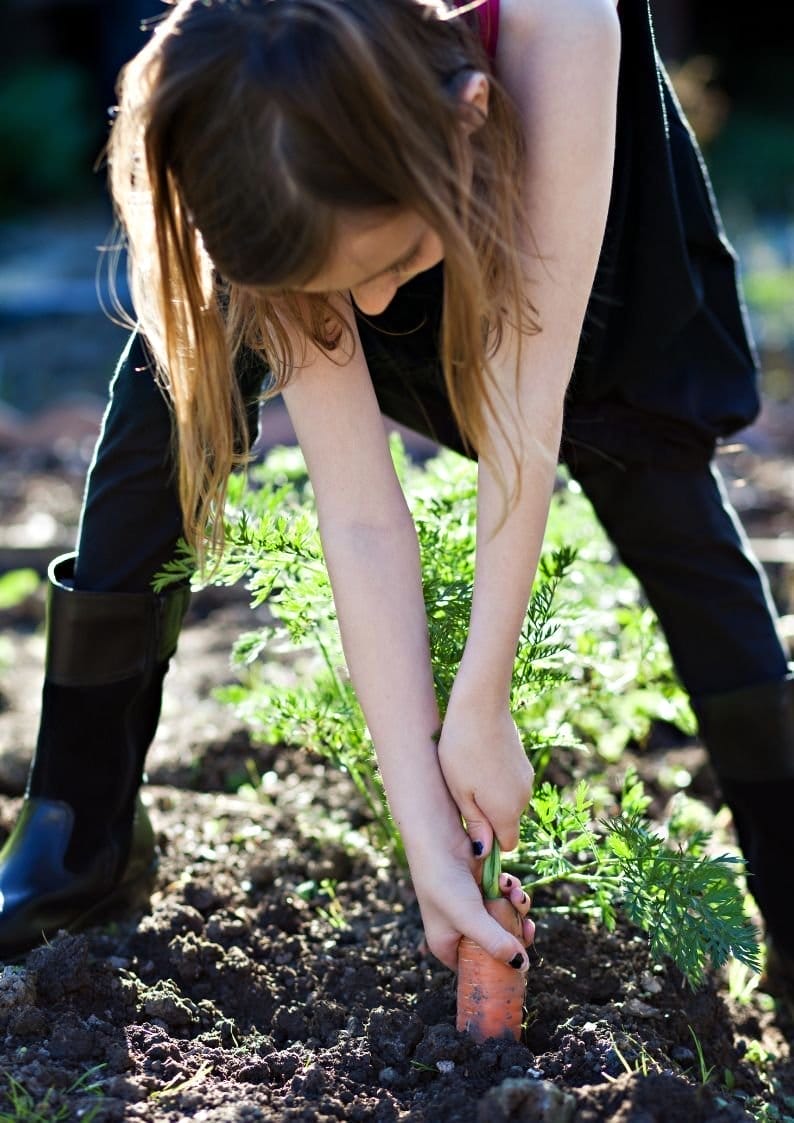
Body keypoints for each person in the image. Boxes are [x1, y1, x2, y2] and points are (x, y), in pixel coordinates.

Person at [0, 0, 791, 999]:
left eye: (382, 272)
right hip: (349, 196)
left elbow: (522, 404)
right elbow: (363, 515)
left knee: (663, 499)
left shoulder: (557, 27)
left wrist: (482, 701)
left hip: (556, 226)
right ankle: (76, 832)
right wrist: (425, 832)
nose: (373, 315)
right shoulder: (258, 81)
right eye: (344, 291)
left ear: (466, 110)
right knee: (165, 401)